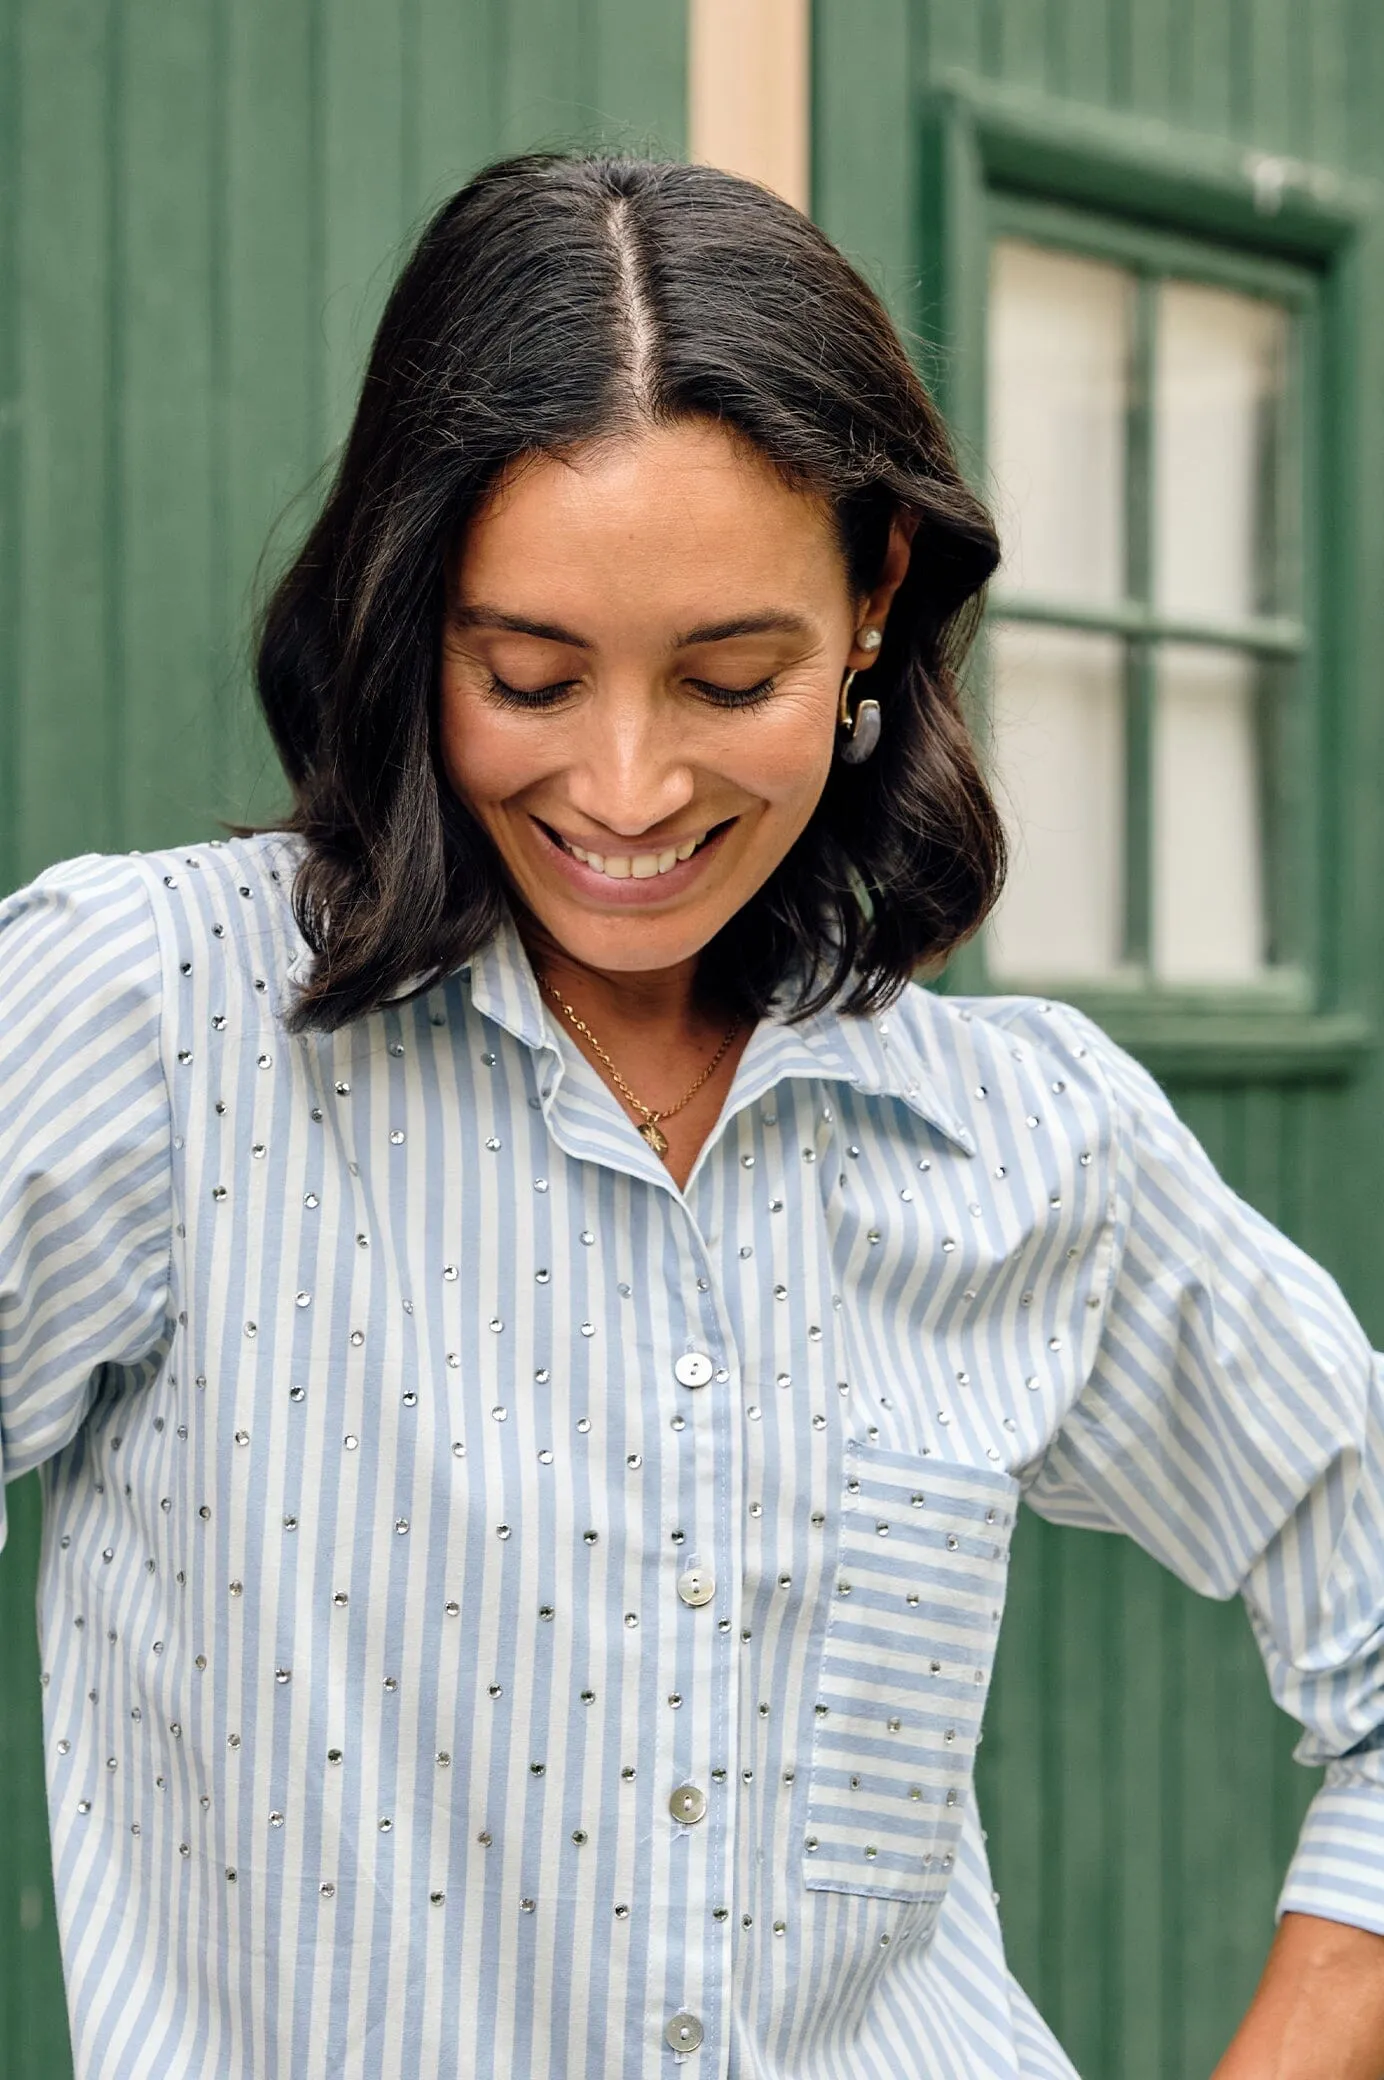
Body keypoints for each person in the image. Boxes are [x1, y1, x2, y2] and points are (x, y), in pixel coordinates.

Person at [1, 152, 1381, 2080]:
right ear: (413, 618)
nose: (627, 789)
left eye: (730, 677)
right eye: (530, 675)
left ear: (877, 605)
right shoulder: (144, 1027)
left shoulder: (1029, 1141)